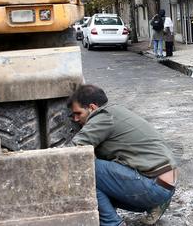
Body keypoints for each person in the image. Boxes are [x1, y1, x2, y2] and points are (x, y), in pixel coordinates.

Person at [67, 84, 177, 226]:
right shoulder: (117, 111)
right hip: (165, 185)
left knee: (85, 169)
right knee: (100, 172)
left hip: (154, 187)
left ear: (92, 108)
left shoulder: (103, 117)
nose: (75, 119)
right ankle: (153, 206)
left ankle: (112, 223)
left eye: (78, 113)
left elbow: (74, 151)